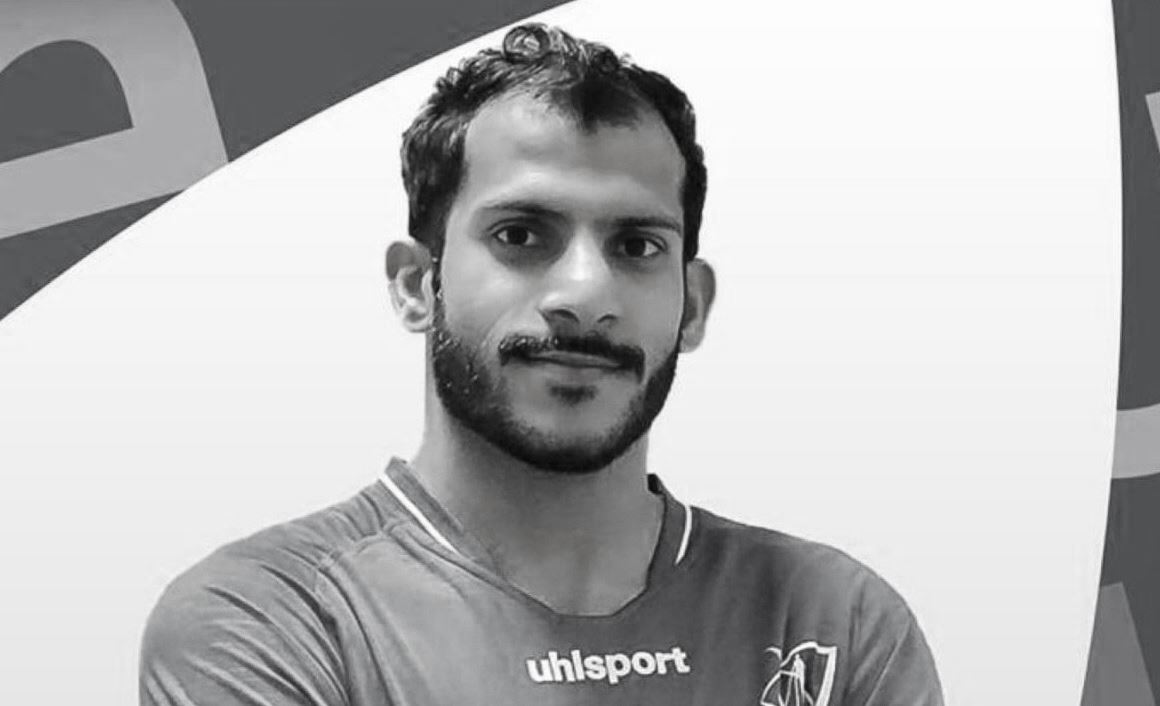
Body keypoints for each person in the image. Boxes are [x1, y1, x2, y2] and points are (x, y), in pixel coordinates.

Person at [139, 23, 943, 706]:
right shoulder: (271, 618)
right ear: (418, 285)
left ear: (693, 305)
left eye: (637, 246)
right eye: (521, 235)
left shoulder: (832, 621)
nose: (586, 294)